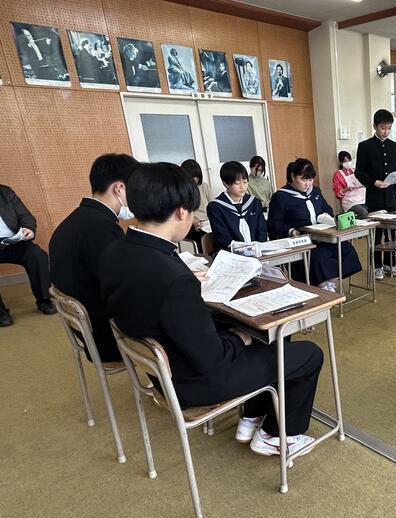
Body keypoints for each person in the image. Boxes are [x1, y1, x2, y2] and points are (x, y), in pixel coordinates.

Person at [98, 162, 322, 456]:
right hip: (194, 381)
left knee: (272, 333)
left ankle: (252, 416)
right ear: (181, 212)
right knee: (307, 354)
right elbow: (213, 359)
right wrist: (241, 337)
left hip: (162, 368)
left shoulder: (115, 251)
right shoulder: (173, 277)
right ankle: (276, 436)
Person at [49, 154, 140, 360]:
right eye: (136, 190)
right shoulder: (101, 229)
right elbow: (126, 288)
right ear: (119, 188)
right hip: (108, 336)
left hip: (88, 329)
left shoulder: (77, 219)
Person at [268, 158, 362, 292]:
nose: (308, 184)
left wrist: (325, 217)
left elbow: (327, 208)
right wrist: (291, 231)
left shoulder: (315, 192)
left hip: (322, 236)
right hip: (300, 240)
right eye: (303, 180)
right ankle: (323, 288)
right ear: (293, 176)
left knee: (346, 249)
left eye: (310, 180)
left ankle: (330, 283)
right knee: (318, 256)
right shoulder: (281, 197)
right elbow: (273, 223)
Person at [355, 109, 396, 280]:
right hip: (375, 197)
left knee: (391, 234)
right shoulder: (365, 146)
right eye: (383, 128)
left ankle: (389, 265)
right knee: (377, 234)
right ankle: (377, 266)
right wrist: (374, 182)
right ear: (375, 126)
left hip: (391, 197)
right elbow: (359, 172)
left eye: (389, 128)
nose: (386, 131)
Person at [0, 185, 56, 326]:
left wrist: (28, 228)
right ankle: (1, 313)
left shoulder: (5, 191)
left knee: (38, 255)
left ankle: (44, 300)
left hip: (14, 241)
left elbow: (25, 216)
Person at [207, 161, 267, 250]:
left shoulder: (254, 202)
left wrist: (258, 248)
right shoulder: (216, 207)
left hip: (258, 250)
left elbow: (262, 231)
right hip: (230, 253)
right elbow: (222, 238)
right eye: (237, 183)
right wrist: (244, 250)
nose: (242, 187)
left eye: (245, 182)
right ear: (225, 183)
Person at [180, 159, 213, 248]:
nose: (195, 179)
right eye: (191, 176)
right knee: (200, 237)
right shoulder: (181, 190)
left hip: (207, 223)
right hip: (191, 223)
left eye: (196, 176)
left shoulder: (204, 186)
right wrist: (193, 221)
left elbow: (212, 205)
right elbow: (181, 212)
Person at [332, 150, 367, 218]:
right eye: (345, 161)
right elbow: (337, 193)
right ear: (341, 162)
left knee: (371, 210)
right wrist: (346, 189)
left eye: (349, 160)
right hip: (349, 202)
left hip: (361, 199)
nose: (348, 163)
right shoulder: (338, 175)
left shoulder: (355, 171)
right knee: (363, 213)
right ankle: (347, 219)